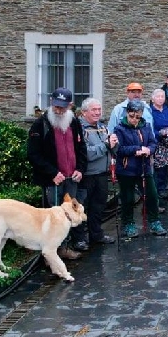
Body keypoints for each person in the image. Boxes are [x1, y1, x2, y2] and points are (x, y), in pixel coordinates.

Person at [27, 88, 87, 260]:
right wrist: (52, 172)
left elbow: (81, 148)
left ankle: (64, 248)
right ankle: (50, 254)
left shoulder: (74, 122)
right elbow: (33, 154)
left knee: (68, 216)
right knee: (53, 218)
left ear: (70, 106)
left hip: (71, 178)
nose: (59, 111)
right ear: (51, 102)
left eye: (63, 107)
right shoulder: (41, 124)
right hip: (52, 180)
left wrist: (80, 169)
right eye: (56, 107)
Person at [114, 100, 167, 237]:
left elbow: (153, 142)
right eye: (131, 116)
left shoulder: (146, 126)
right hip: (127, 168)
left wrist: (149, 150)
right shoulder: (120, 128)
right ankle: (128, 223)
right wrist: (136, 149)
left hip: (144, 167)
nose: (134, 120)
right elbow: (119, 149)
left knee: (152, 195)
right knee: (128, 198)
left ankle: (154, 221)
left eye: (137, 116)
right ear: (127, 113)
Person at [73, 98, 117, 251]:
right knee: (81, 208)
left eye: (99, 109)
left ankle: (96, 234)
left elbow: (110, 150)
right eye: (94, 110)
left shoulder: (103, 128)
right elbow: (87, 154)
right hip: (86, 175)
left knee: (98, 207)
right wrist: (106, 145)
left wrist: (114, 144)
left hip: (101, 174)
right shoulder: (79, 129)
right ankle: (79, 239)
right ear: (84, 112)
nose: (98, 112)